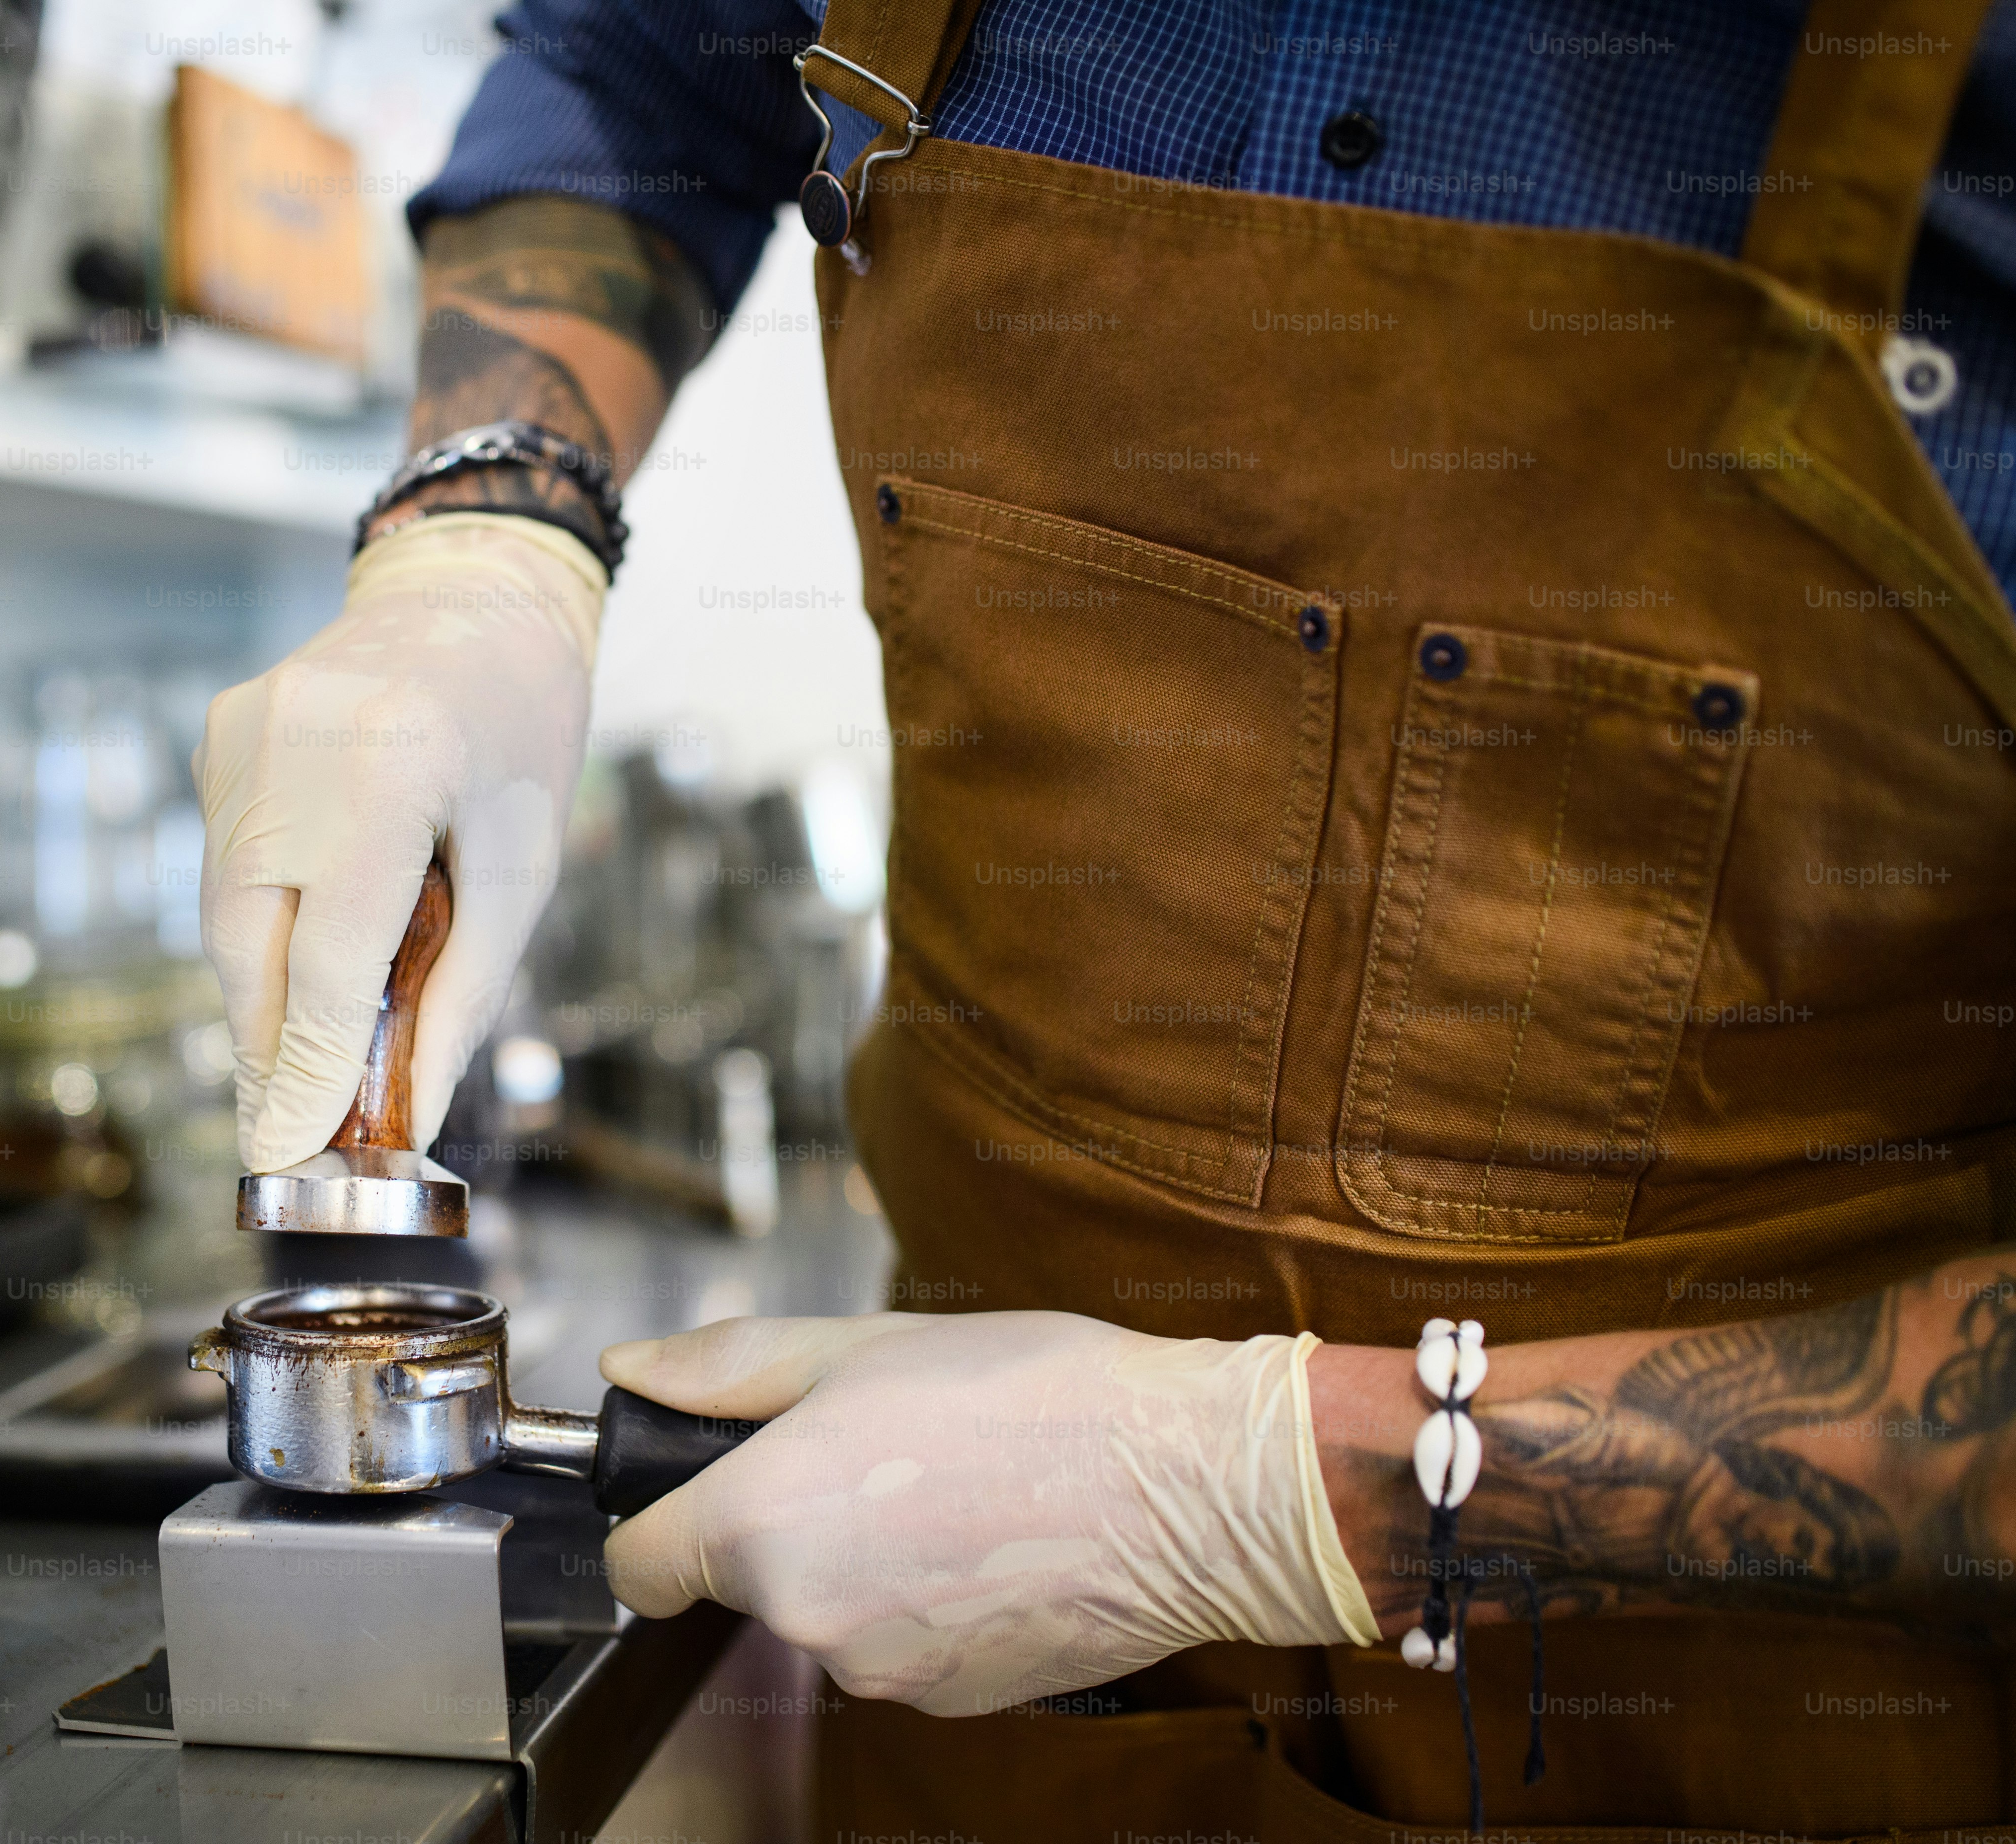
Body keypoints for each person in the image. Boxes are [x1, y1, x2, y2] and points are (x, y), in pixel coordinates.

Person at [193, 0, 2016, 1834]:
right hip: (988, 1700)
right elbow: (638, 71)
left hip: (1730, 1736)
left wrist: (1246, 1490)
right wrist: (484, 533)